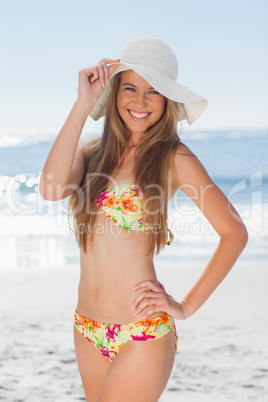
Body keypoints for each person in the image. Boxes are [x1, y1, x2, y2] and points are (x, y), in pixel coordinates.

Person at [39, 37, 248, 401]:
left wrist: (185, 305)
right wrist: (83, 103)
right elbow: (51, 189)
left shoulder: (174, 157)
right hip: (86, 327)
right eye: (130, 88)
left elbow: (234, 233)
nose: (139, 102)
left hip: (142, 330)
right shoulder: (92, 153)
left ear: (167, 100)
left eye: (153, 92)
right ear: (115, 92)